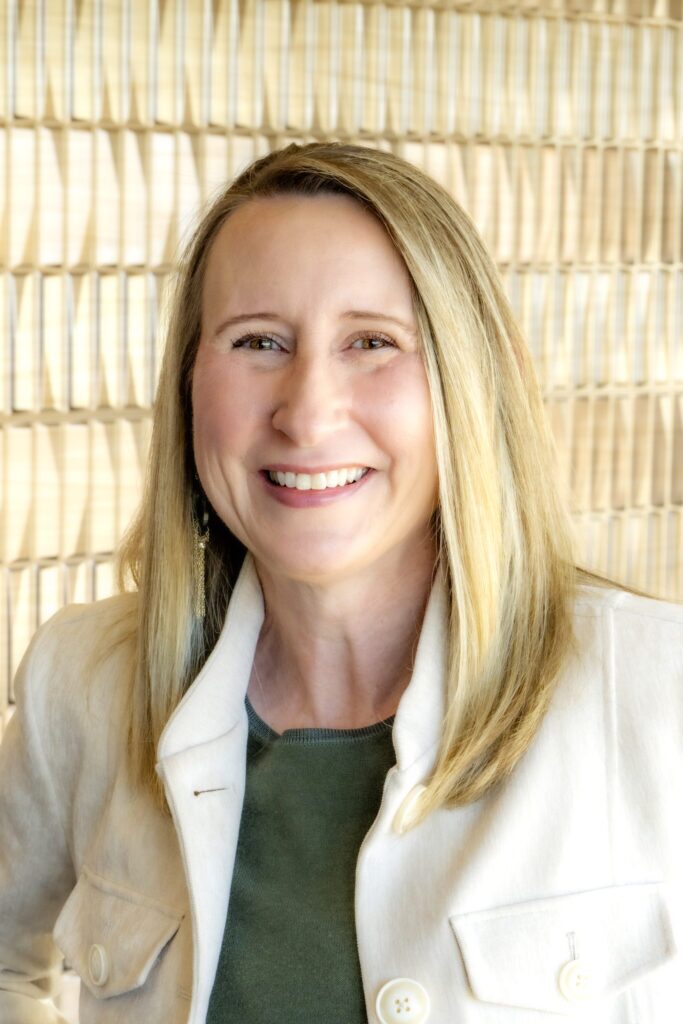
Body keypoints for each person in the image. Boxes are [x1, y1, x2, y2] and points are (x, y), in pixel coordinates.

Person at [0, 141, 681, 1024]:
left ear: (467, 384)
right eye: (258, 341)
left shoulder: (658, 690)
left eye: (371, 342)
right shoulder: (84, 688)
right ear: (189, 383)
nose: (307, 410)